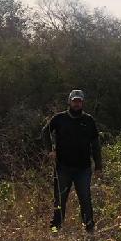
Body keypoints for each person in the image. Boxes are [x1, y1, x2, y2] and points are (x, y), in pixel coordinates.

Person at [42, 89, 103, 233]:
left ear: (82, 102)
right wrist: (50, 150)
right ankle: (56, 228)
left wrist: (98, 165)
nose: (76, 103)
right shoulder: (59, 118)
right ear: (69, 101)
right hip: (63, 167)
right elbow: (45, 132)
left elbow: (95, 144)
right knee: (60, 199)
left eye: (79, 101)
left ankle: (89, 228)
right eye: (74, 100)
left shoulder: (89, 120)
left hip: (83, 168)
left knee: (85, 199)